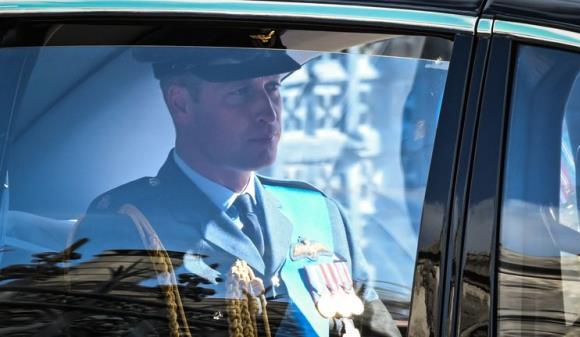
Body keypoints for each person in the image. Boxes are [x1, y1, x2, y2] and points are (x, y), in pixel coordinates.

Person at [71, 27, 401, 337]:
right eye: (240, 92)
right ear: (181, 102)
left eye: (272, 87)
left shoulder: (316, 213)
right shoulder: (124, 226)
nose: (269, 113)